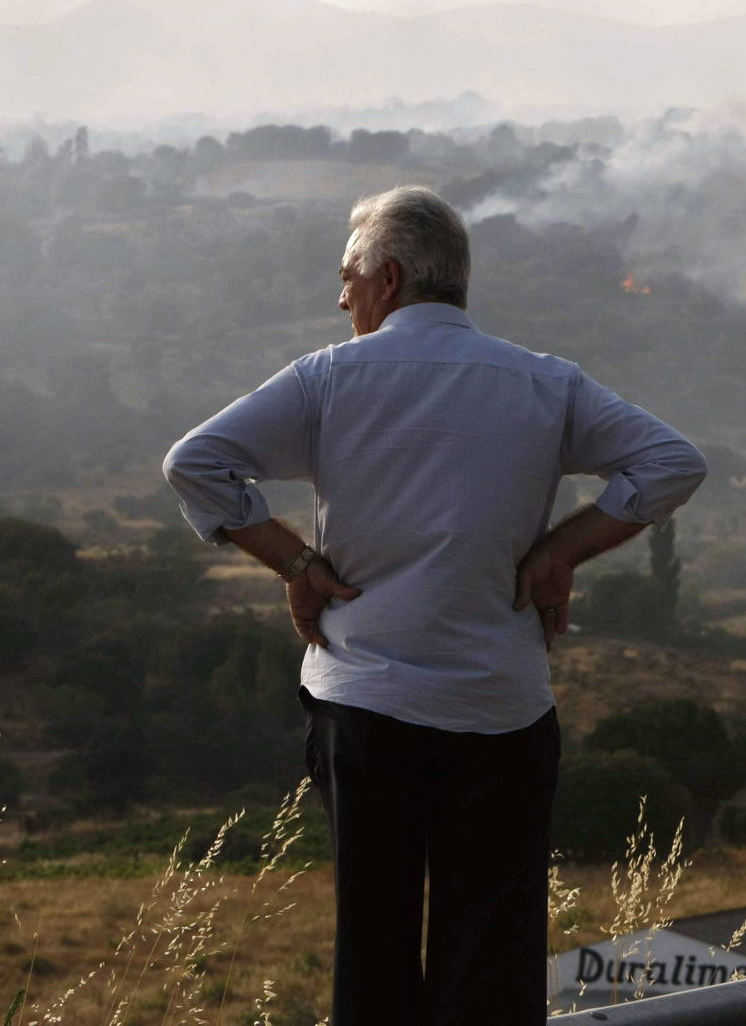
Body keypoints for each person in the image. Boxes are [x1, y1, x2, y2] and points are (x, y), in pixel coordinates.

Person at [163, 185, 706, 1024]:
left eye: (347, 277)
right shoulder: (542, 383)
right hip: (501, 710)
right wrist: (563, 547)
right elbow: (671, 463)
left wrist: (295, 563)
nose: (340, 297)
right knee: (492, 960)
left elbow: (196, 462)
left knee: (372, 947)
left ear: (385, 278)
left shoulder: (327, 379)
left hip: (366, 704)